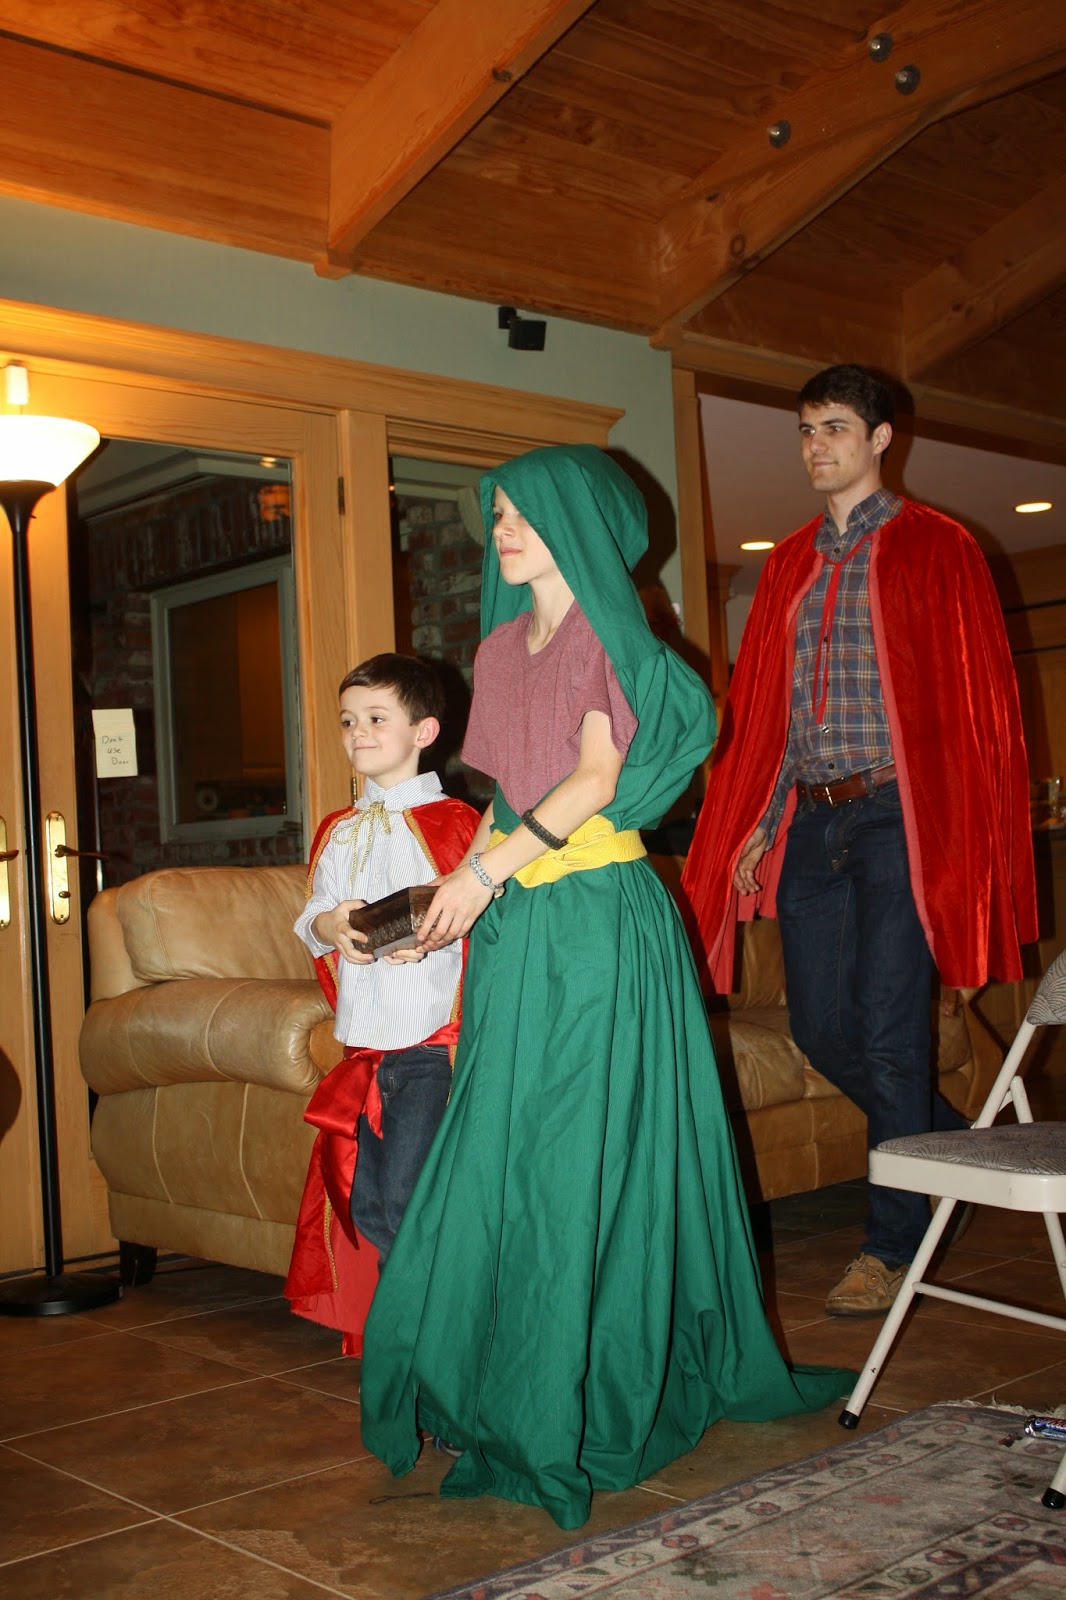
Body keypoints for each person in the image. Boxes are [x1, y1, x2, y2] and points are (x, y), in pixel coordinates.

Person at [358, 444, 851, 1531]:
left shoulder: (605, 639)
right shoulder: (499, 646)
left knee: (584, 1147)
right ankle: (500, 1376)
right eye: (498, 514)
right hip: (521, 924)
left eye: (524, 513)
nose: (503, 529)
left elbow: (592, 780)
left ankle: (579, 1383)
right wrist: (442, 906)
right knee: (507, 1143)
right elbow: (503, 802)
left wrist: (485, 876)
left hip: (598, 924)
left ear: (580, 521)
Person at [680, 364, 1037, 1318]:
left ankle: (890, 1245)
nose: (816, 446)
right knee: (820, 1028)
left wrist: (956, 831)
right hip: (813, 817)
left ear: (881, 438)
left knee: (888, 1033)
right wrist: (759, 821)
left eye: (835, 427)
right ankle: (951, 1147)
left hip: (896, 817)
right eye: (806, 430)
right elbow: (769, 713)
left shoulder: (938, 547)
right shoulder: (788, 564)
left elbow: (975, 706)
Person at [284, 654, 478, 1352]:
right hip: (365, 1051)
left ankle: (440, 1351)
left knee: (408, 1201)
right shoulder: (338, 829)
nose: (357, 733)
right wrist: (332, 925)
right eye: (347, 721)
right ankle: (412, 1343)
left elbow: (485, 921)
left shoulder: (458, 824)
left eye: (375, 718)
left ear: (424, 731)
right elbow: (312, 917)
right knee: (367, 1205)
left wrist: (433, 937)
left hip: (430, 1049)